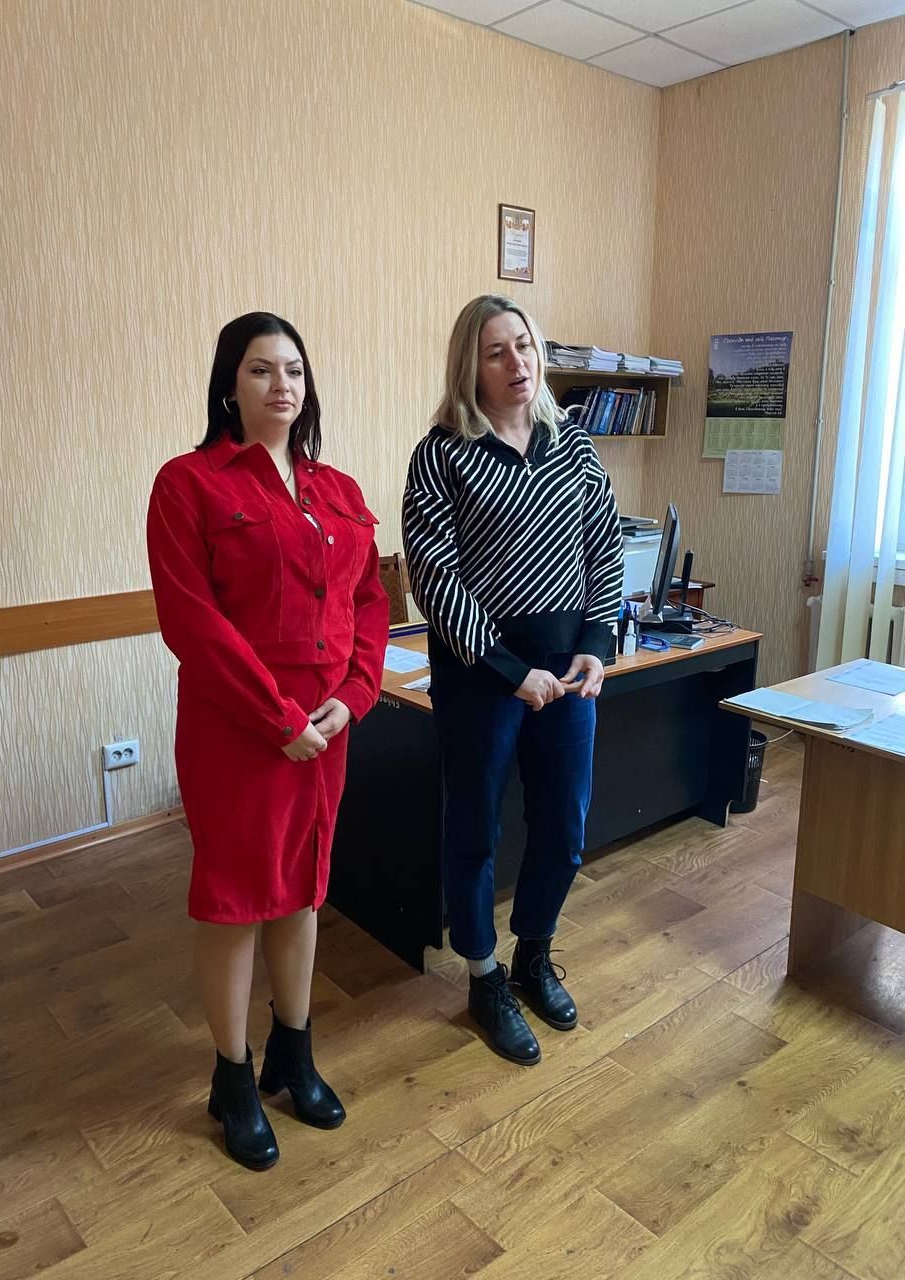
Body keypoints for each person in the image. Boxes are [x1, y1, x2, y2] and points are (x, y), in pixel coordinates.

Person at [147, 312, 388, 1169]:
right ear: (230, 385)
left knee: (303, 891)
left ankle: (295, 1050)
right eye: (260, 369)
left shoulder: (339, 490)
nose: (281, 384)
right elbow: (192, 622)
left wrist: (353, 698)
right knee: (236, 900)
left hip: (325, 730)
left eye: (293, 369)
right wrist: (277, 718)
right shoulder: (189, 484)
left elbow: (368, 604)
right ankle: (233, 1077)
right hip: (238, 731)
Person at [402, 295, 623, 1066]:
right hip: (479, 674)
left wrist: (597, 644)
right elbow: (434, 577)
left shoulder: (575, 446)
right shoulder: (442, 454)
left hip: (567, 669)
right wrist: (508, 670)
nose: (516, 362)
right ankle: (483, 977)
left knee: (564, 825)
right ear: (470, 365)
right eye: (496, 351)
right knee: (475, 832)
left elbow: (604, 549)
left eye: (524, 345)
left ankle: (533, 954)